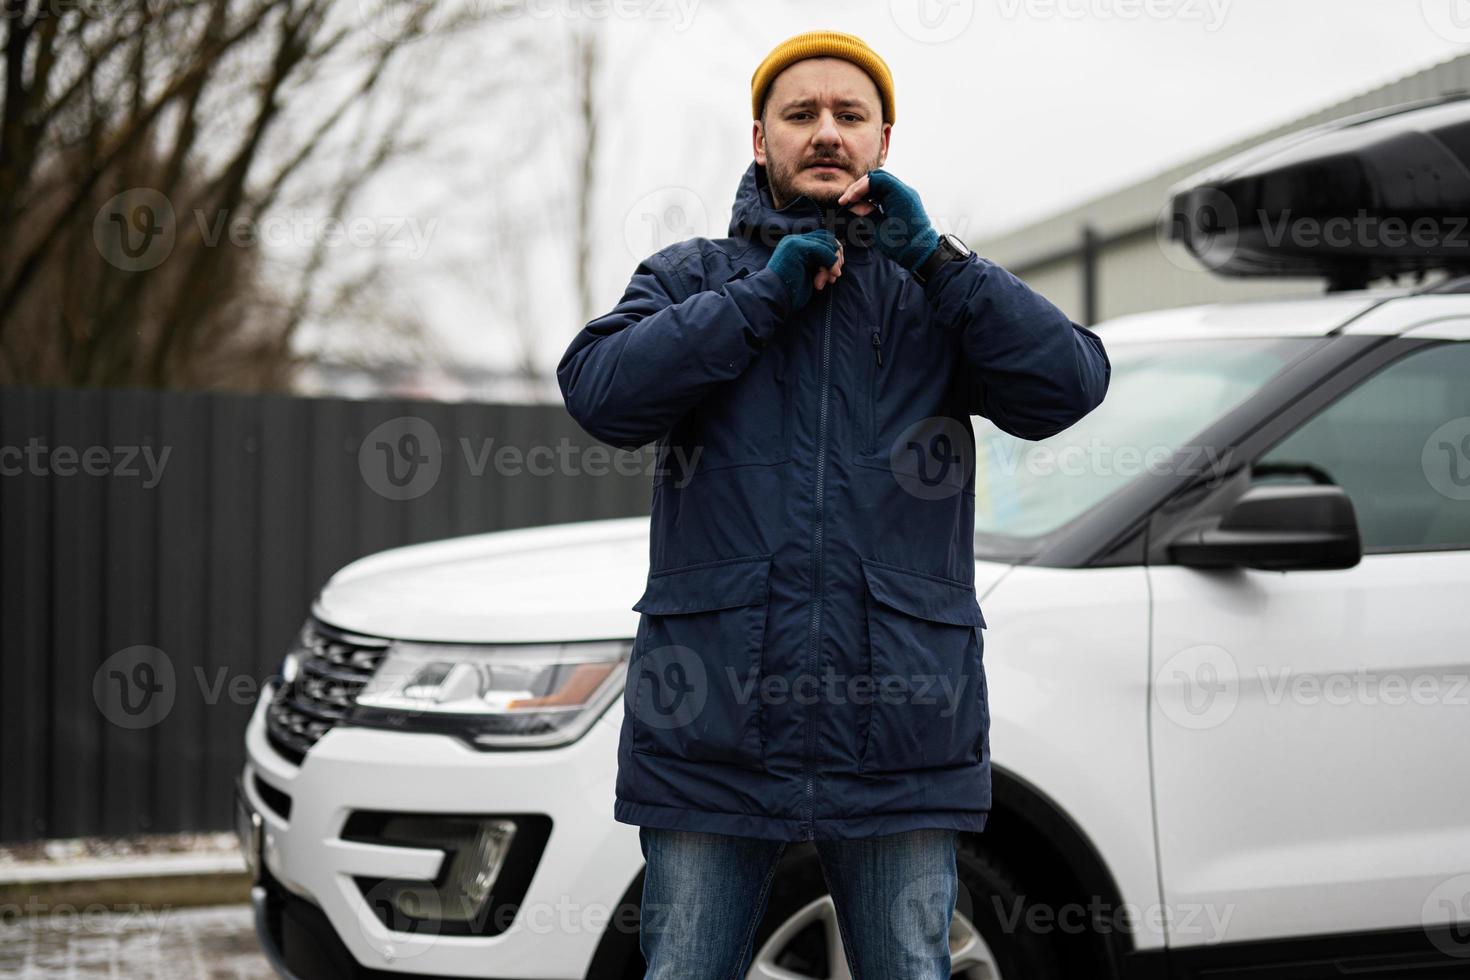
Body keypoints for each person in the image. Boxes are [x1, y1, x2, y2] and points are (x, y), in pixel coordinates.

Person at [557, 29, 1111, 979]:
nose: (825, 132)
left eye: (849, 116)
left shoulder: (933, 290)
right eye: (800, 114)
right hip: (711, 728)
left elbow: (1068, 384)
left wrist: (939, 260)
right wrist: (759, 300)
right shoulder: (694, 278)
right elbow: (602, 393)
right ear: (760, 137)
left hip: (900, 728)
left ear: (883, 142)